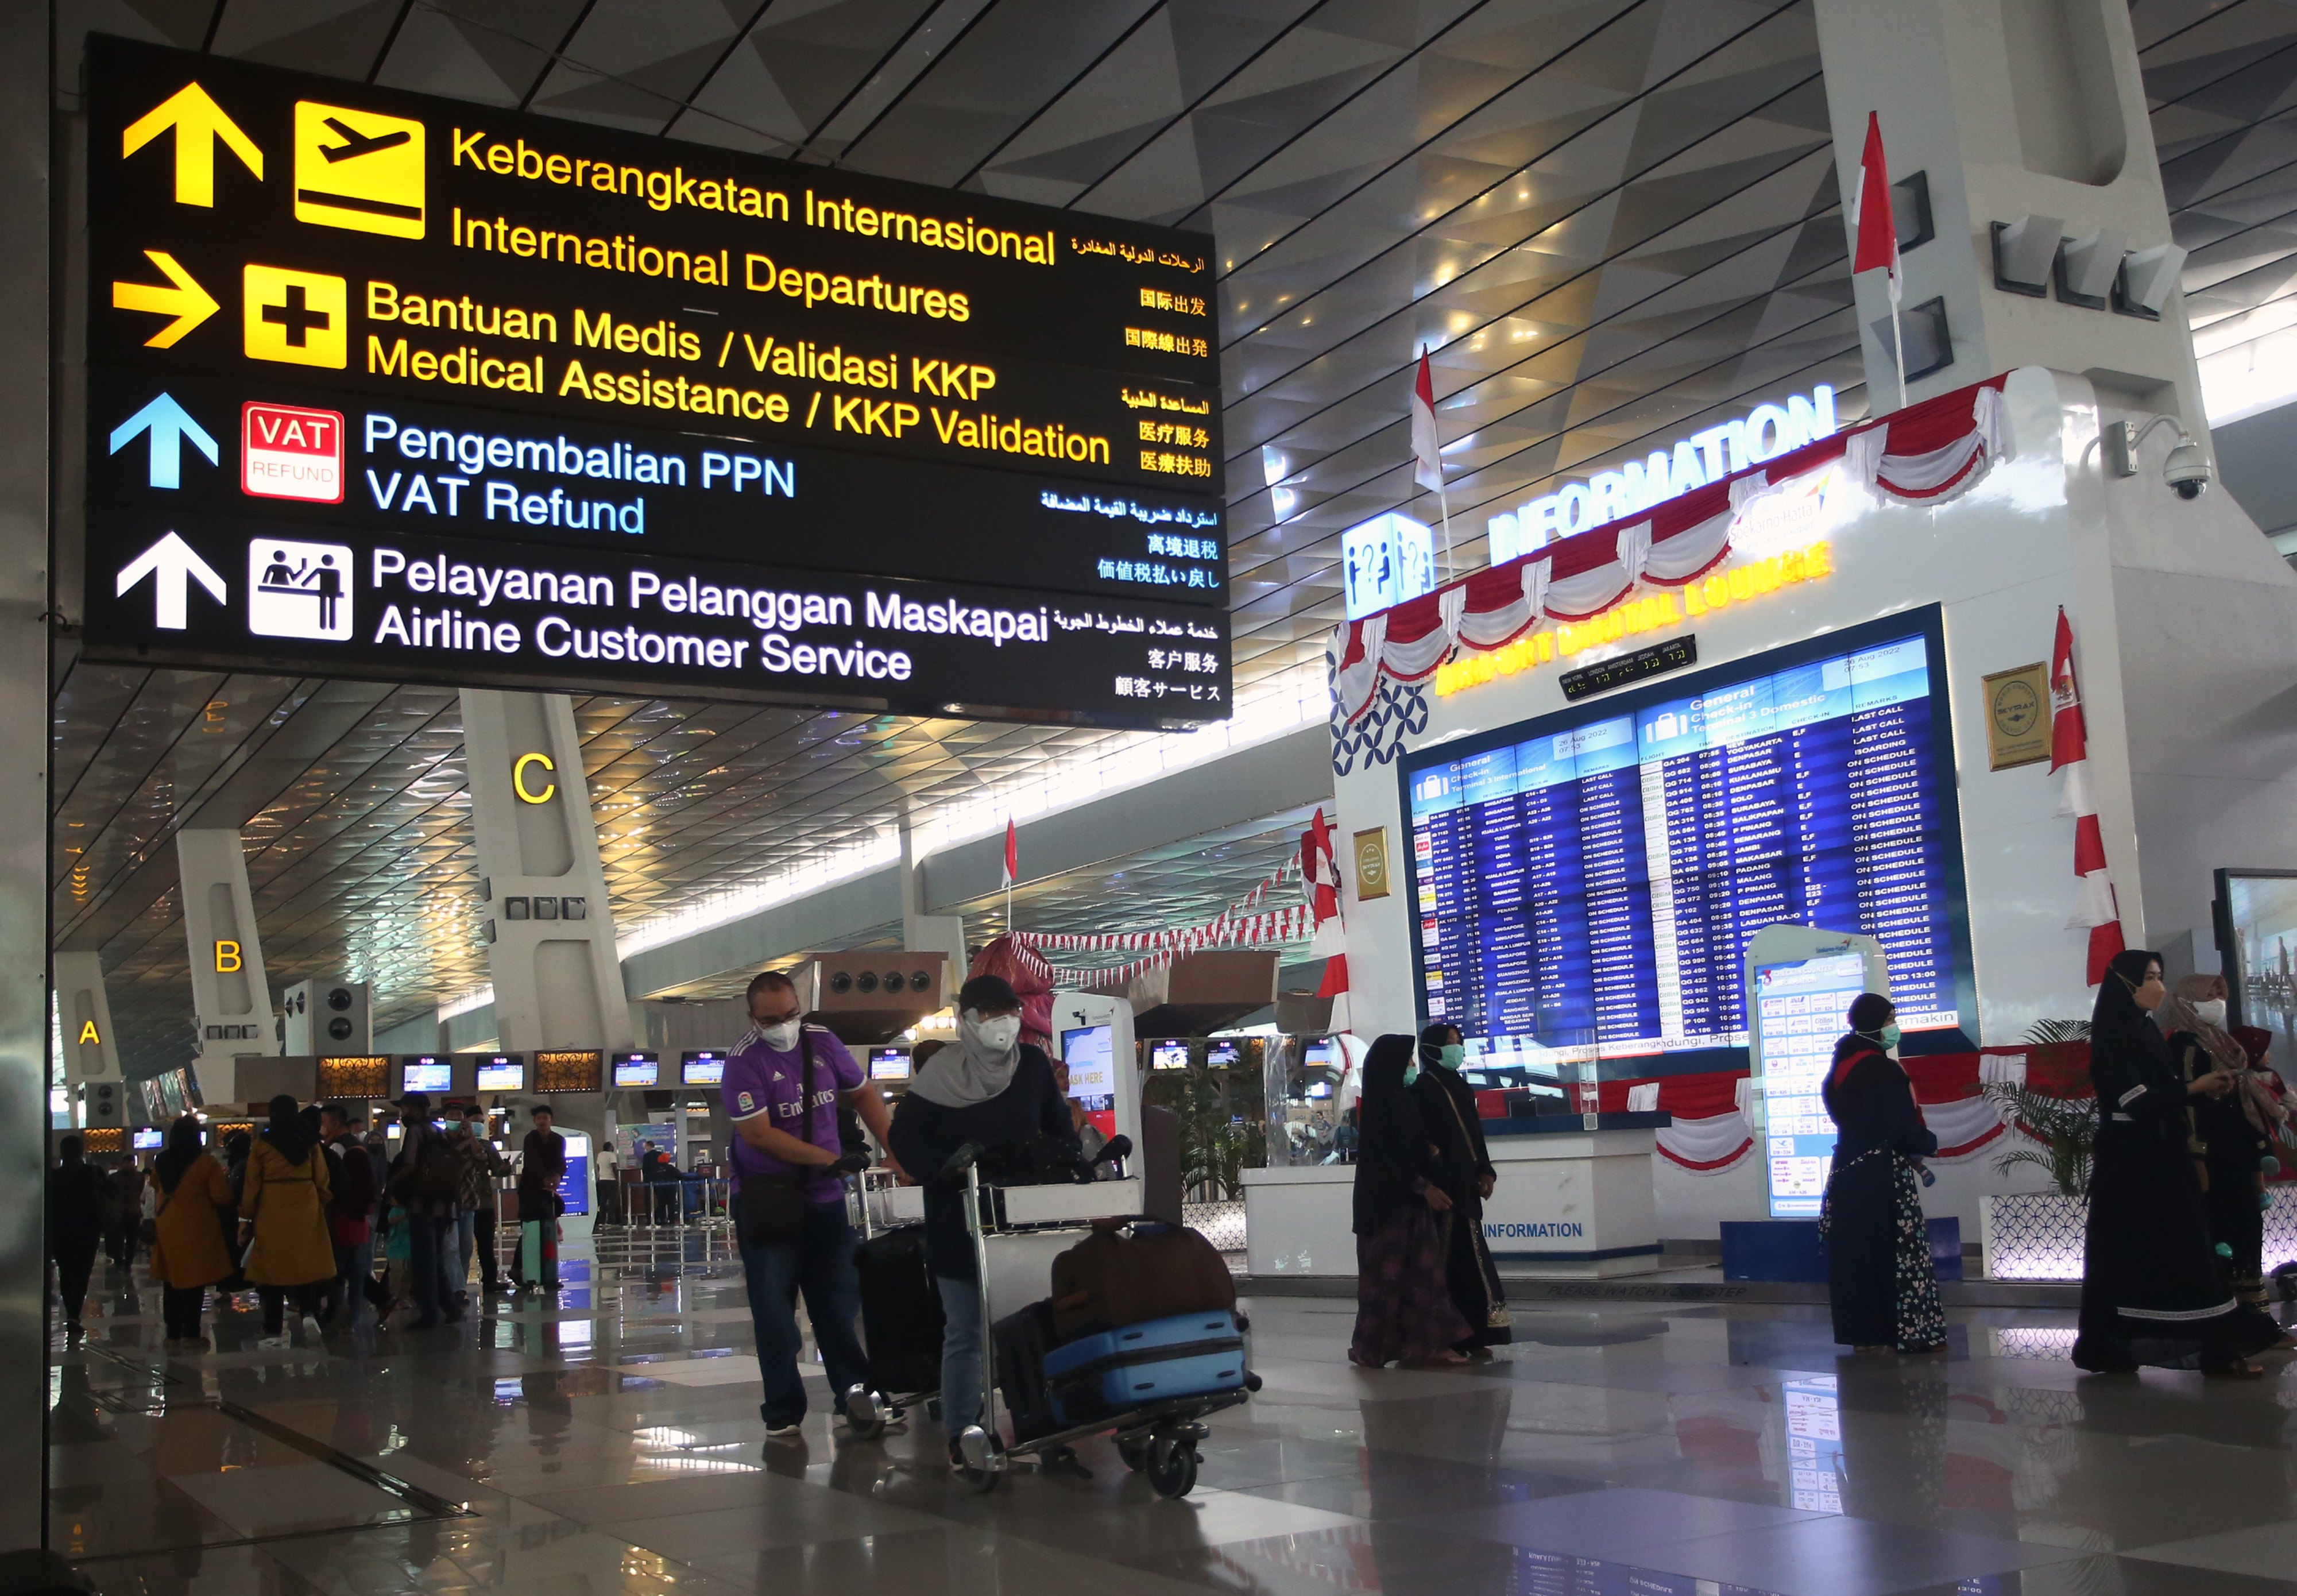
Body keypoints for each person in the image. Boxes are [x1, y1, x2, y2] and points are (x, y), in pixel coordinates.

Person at [890, 975, 1078, 1468]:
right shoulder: (939, 1075)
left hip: (1023, 1220)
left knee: (1037, 1320)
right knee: (968, 1329)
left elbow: (1061, 1132)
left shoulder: (1032, 1066)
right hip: (959, 1220)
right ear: (968, 1021)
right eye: (990, 1013)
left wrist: (1056, 1163)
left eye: (1010, 1010)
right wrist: (949, 1167)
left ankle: (1042, 1419)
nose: (1004, 1022)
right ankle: (964, 1431)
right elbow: (906, 1142)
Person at [2075, 949, 2286, 1376]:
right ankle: (2133, 1346)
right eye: (2150, 977)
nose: (2159, 986)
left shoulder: (2146, 1029)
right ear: (2126, 983)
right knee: (2167, 1248)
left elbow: (2164, 1093)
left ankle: (2207, 1348)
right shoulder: (2115, 1035)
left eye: (2160, 975)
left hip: (2161, 1151)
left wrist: (2198, 1091)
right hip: (2133, 1161)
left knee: (2177, 1246)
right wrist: (2195, 1088)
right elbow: (2134, 1100)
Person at [724, 967, 897, 1440]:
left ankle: (856, 1396)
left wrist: (894, 1150)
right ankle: (782, 1409)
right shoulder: (743, 1061)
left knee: (838, 1304)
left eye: (791, 1014)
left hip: (824, 1201)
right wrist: (830, 1158)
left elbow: (863, 1094)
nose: (783, 1023)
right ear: (753, 1017)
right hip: (768, 1200)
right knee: (775, 1312)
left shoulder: (822, 1041)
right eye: (771, 1018)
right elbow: (759, 1135)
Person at [1819, 994, 1946, 1354]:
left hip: (1848, 1169)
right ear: (1875, 1024)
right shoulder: (1882, 1070)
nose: (1895, 1026)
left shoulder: (1840, 1067)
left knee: (1855, 1255)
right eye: (1891, 1018)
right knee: (1891, 1252)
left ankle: (1863, 1337)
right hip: (1882, 1174)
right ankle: (1898, 1332)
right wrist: (1927, 1142)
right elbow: (1900, 1127)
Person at [2160, 976, 2286, 1313]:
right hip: (2213, 1159)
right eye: (2210, 995)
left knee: (2247, 1232)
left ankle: (2256, 1319)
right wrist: (2197, 1158)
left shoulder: (2220, 1041)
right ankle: (2230, 1322)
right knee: (2224, 1237)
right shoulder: (2185, 1044)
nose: (2217, 1001)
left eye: (2220, 994)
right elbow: (2188, 1106)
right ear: (2189, 1001)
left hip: (2237, 1154)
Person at [1348, 1034, 1474, 1367]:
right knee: (1384, 1285)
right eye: (1407, 1062)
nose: (1413, 1067)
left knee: (1423, 1280)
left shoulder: (1399, 1101)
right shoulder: (1383, 1107)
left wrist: (1430, 1158)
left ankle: (1428, 1344)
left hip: (1409, 1209)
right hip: (1385, 1211)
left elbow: (1414, 1150)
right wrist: (1424, 1187)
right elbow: (1389, 1161)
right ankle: (1372, 1349)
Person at [1409, 1023, 1510, 1353]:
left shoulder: (1461, 1087)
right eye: (1450, 1043)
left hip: (1465, 1186)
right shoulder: (1424, 1088)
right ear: (1433, 1049)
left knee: (1471, 1261)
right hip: (1443, 1190)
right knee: (1448, 1262)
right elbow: (1422, 1143)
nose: (1457, 1049)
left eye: (1458, 1043)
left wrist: (1485, 1170)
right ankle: (1448, 1336)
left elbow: (1473, 1136)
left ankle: (1476, 1333)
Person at [239, 1095, 337, 1347]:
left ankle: (273, 1330)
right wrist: (319, 1204)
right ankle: (308, 1314)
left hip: (272, 1206)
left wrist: (247, 1214)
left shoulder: (262, 1144)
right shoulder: (309, 1141)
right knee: (306, 1264)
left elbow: (252, 1182)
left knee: (271, 1271)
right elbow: (323, 1180)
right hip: (305, 1203)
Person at [149, 1117, 233, 1350]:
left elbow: (156, 1184)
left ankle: (172, 1334)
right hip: (197, 1229)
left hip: (168, 1227)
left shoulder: (161, 1160)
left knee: (172, 1281)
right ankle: (191, 1334)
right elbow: (221, 1196)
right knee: (193, 1283)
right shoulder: (206, 1163)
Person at [388, 1094, 463, 1328]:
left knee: (423, 1262)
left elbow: (411, 1164)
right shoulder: (439, 1132)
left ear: (417, 1110)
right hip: (443, 1206)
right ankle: (449, 1307)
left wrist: (391, 1187)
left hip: (421, 1205)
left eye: (405, 1109)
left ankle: (429, 1314)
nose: (402, 1115)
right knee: (436, 1260)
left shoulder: (417, 1132)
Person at [317, 1104, 375, 1326]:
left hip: (341, 1215)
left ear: (334, 1123)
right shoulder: (356, 1146)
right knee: (357, 1270)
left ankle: (336, 1313)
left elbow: (332, 1183)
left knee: (338, 1269)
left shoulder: (336, 1148)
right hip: (359, 1216)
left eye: (323, 1122)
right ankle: (354, 1316)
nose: (321, 1127)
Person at [47, 1135, 110, 1336]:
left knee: (66, 1273)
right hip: (87, 1232)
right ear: (82, 1151)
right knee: (82, 1274)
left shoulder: (54, 1177)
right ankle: (74, 1315)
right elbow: (111, 1195)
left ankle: (72, 1312)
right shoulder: (93, 1173)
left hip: (61, 1231)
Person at [455, 1106, 511, 1297]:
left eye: (482, 1121)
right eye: (475, 1120)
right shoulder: (457, 1144)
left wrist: (505, 1167)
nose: (479, 1124)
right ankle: (457, 1286)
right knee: (460, 1246)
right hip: (462, 1201)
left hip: (484, 1201)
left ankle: (490, 1280)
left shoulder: (487, 1146)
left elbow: (498, 1170)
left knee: (486, 1243)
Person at [514, 1106, 567, 1292]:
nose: (542, 1121)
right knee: (530, 1228)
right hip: (531, 1189)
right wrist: (545, 1178)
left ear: (551, 1120)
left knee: (548, 1229)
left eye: (545, 1117)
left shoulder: (558, 1140)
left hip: (548, 1191)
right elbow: (533, 1161)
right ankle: (523, 1270)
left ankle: (550, 1274)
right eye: (539, 1118)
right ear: (535, 1121)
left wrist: (557, 1177)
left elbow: (561, 1161)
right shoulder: (531, 1138)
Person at [105, 1155, 145, 1274]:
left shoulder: (115, 1177)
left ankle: (126, 1262)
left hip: (127, 1211)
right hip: (127, 1211)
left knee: (128, 1239)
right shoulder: (138, 1177)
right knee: (121, 1239)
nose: (129, 1164)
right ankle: (123, 1261)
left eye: (130, 1162)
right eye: (127, 1162)